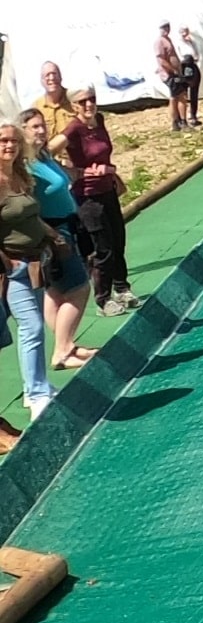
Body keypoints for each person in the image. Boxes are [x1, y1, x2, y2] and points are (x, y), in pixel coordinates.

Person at [0, 122, 71, 419]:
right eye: (3, 140)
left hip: (35, 261)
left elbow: (31, 214)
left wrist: (52, 236)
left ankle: (38, 385)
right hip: (13, 266)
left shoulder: (20, 176)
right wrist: (6, 262)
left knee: (34, 325)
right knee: (32, 327)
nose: (9, 146)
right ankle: (36, 394)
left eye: (14, 141)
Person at [18, 109, 95, 370]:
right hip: (53, 232)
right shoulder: (26, 167)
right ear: (23, 131)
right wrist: (50, 236)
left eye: (42, 126)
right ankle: (62, 351)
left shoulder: (44, 157)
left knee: (54, 292)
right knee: (80, 288)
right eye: (34, 127)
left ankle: (67, 344)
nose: (41, 131)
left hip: (68, 225)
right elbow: (27, 205)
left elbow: (63, 176)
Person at [62, 88, 135, 317]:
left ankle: (122, 287)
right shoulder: (74, 128)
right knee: (102, 248)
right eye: (82, 101)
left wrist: (110, 170)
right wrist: (78, 172)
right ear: (74, 105)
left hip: (108, 190)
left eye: (91, 99)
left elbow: (106, 158)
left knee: (118, 240)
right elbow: (46, 150)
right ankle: (103, 300)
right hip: (88, 197)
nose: (88, 105)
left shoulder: (100, 120)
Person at [33, 62, 77, 156]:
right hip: (49, 160)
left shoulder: (74, 100)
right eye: (47, 75)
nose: (52, 78)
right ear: (41, 81)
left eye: (54, 74)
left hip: (75, 160)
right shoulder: (36, 107)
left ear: (61, 77)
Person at [156, 21, 188, 132]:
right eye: (164, 27)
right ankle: (179, 121)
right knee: (178, 96)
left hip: (175, 73)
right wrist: (172, 70)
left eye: (167, 27)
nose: (166, 29)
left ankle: (179, 121)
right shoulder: (159, 42)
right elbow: (161, 60)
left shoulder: (167, 40)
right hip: (170, 74)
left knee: (179, 96)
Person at [177, 27, 203, 129]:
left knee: (194, 92)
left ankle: (193, 116)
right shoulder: (178, 43)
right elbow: (179, 57)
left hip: (192, 66)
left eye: (186, 31)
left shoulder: (191, 42)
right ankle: (181, 118)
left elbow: (197, 55)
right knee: (183, 94)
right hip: (184, 68)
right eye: (182, 32)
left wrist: (193, 58)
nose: (185, 34)